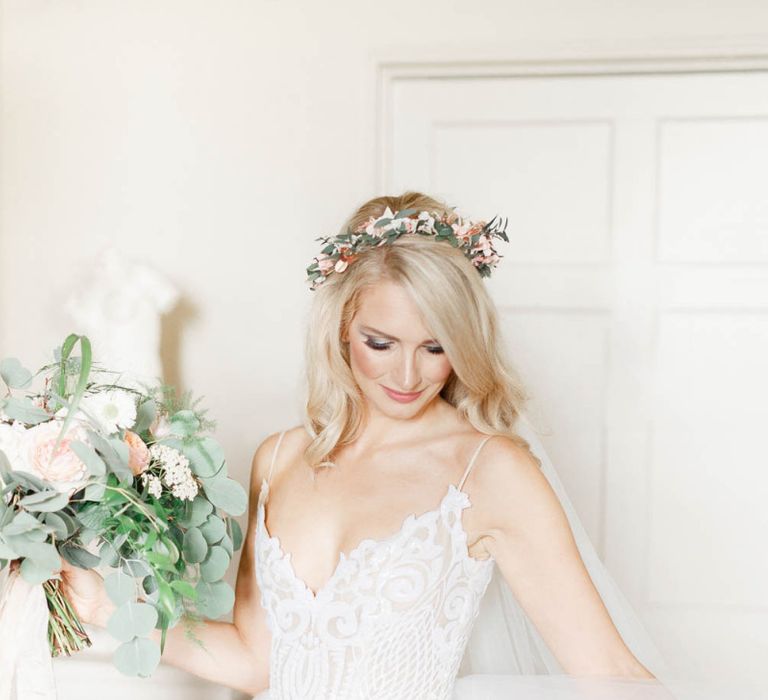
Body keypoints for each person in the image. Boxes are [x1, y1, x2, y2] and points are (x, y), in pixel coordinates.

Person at [60, 192, 681, 699]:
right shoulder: (278, 460)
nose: (407, 376)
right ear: (339, 327)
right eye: (381, 343)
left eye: (435, 347)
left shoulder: (490, 471)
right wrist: (110, 610)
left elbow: (608, 668)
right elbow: (256, 661)